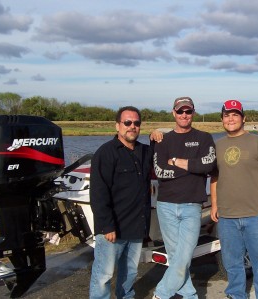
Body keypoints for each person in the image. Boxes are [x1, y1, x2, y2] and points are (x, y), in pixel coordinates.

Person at [210, 99, 258, 299]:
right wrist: (215, 204)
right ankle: (236, 295)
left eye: (235, 114)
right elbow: (214, 177)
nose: (231, 118)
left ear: (243, 118)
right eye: (227, 115)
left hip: (256, 216)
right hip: (227, 218)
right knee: (232, 264)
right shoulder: (217, 146)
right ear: (222, 119)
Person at [152, 96, 216, 299]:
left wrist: (177, 161)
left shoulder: (205, 138)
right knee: (176, 257)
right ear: (173, 113)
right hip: (166, 206)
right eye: (180, 111)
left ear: (193, 113)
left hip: (192, 206)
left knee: (184, 256)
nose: (184, 115)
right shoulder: (163, 139)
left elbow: (208, 166)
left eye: (188, 111)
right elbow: (160, 171)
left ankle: (161, 294)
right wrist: (192, 167)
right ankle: (190, 296)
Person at [89, 106, 154, 299]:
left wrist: (158, 135)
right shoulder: (105, 153)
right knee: (103, 275)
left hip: (136, 227)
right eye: (127, 122)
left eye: (136, 123)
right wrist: (107, 225)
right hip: (112, 230)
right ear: (118, 125)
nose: (132, 126)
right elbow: (99, 194)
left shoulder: (144, 151)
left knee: (129, 274)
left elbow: (164, 151)